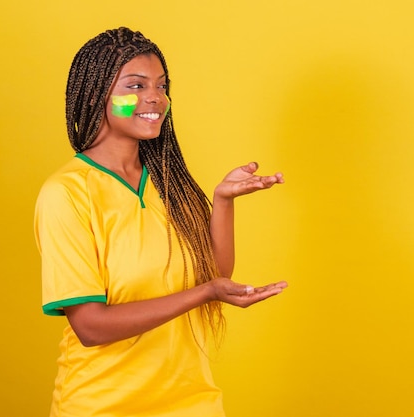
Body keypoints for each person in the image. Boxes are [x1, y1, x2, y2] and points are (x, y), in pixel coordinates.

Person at [34, 27, 288, 417]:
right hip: (102, 407)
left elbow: (215, 275)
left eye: (161, 85)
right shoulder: (66, 193)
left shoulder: (170, 182)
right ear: (95, 93)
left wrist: (222, 202)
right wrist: (204, 295)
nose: (155, 97)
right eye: (135, 85)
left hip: (192, 402)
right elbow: (91, 326)